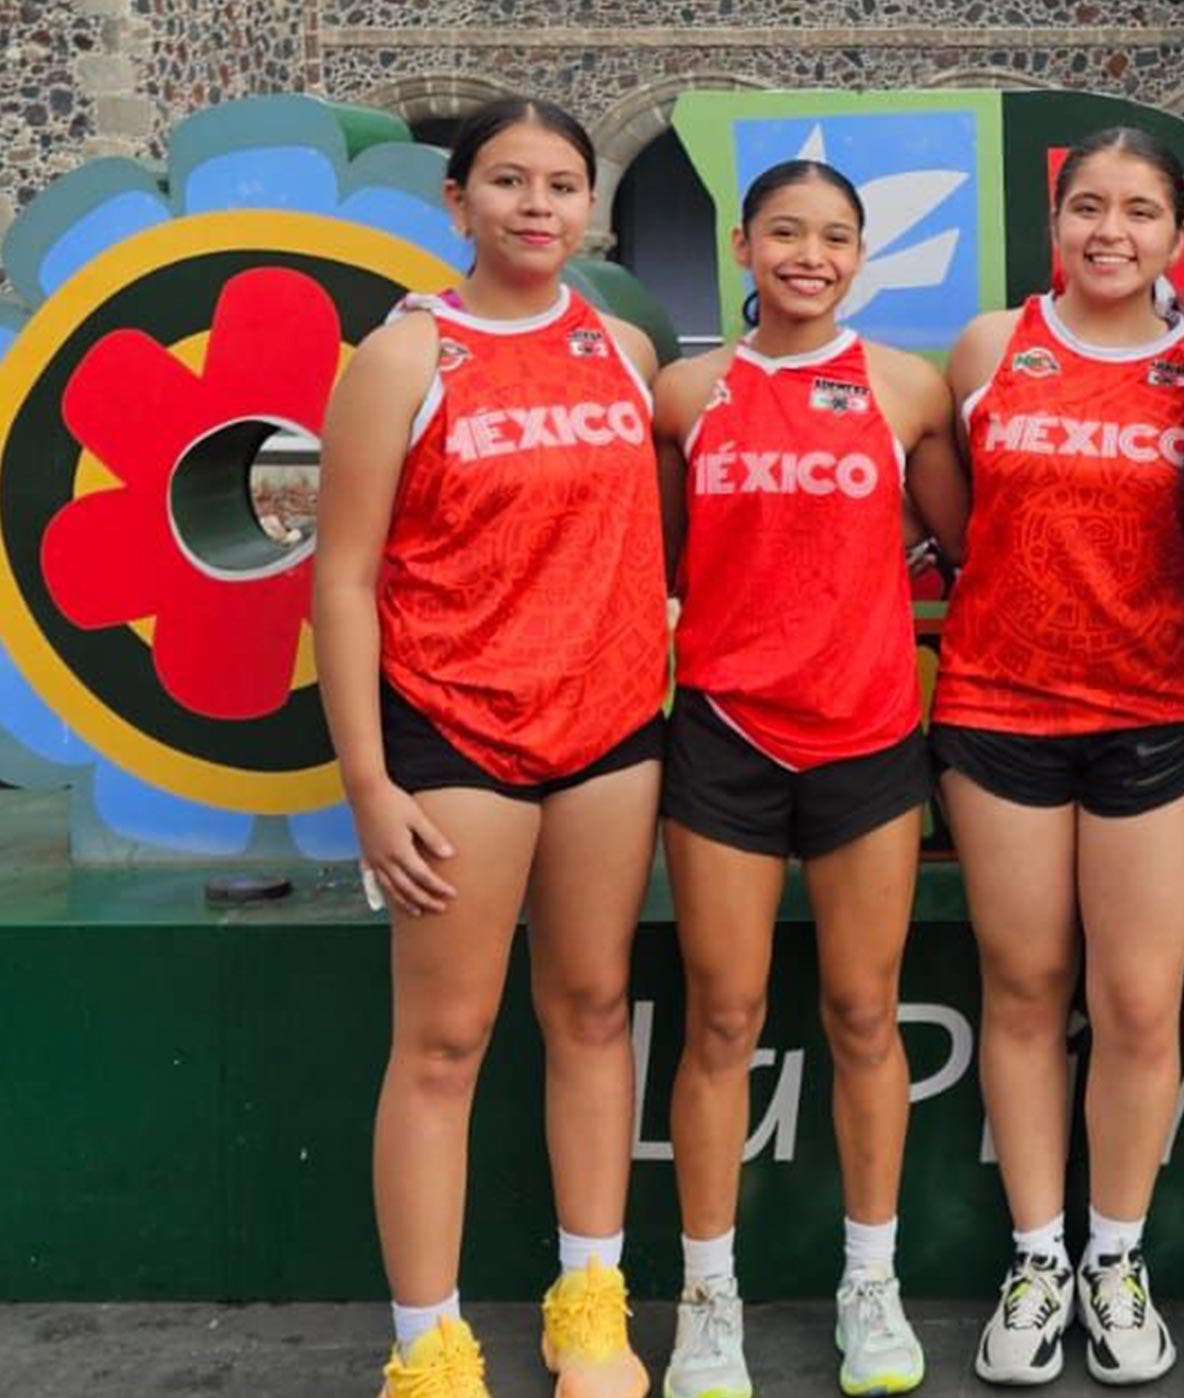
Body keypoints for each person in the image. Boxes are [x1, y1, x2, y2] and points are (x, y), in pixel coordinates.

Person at [316, 97, 669, 1398]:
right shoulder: (404, 357)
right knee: (444, 1043)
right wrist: (368, 782)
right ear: (458, 202)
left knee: (591, 1011)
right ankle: (428, 1349)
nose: (537, 206)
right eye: (509, 182)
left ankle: (591, 1311)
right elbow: (342, 578)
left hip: (611, 732)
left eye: (562, 184)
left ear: (590, 206)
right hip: (455, 732)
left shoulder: (622, 349)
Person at [648, 157, 966, 1398]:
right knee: (723, 1019)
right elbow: (664, 558)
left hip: (867, 738)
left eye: (835, 237)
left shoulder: (904, 387)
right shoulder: (688, 394)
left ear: (860, 257)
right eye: (785, 232)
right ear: (742, 246)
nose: (810, 257)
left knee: (862, 1014)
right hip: (726, 739)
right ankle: (707, 1298)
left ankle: (870, 1285)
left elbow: (962, 540)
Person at [930, 125, 1184, 1389]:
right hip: (1000, 708)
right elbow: (963, 526)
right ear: (1054, 224)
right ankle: (1038, 1258)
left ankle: (1116, 1256)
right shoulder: (991, 348)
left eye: (1140, 210)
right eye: (1088, 206)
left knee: (1140, 1002)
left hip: (1157, 710)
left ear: (1177, 233)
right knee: (1026, 987)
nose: (1112, 231)